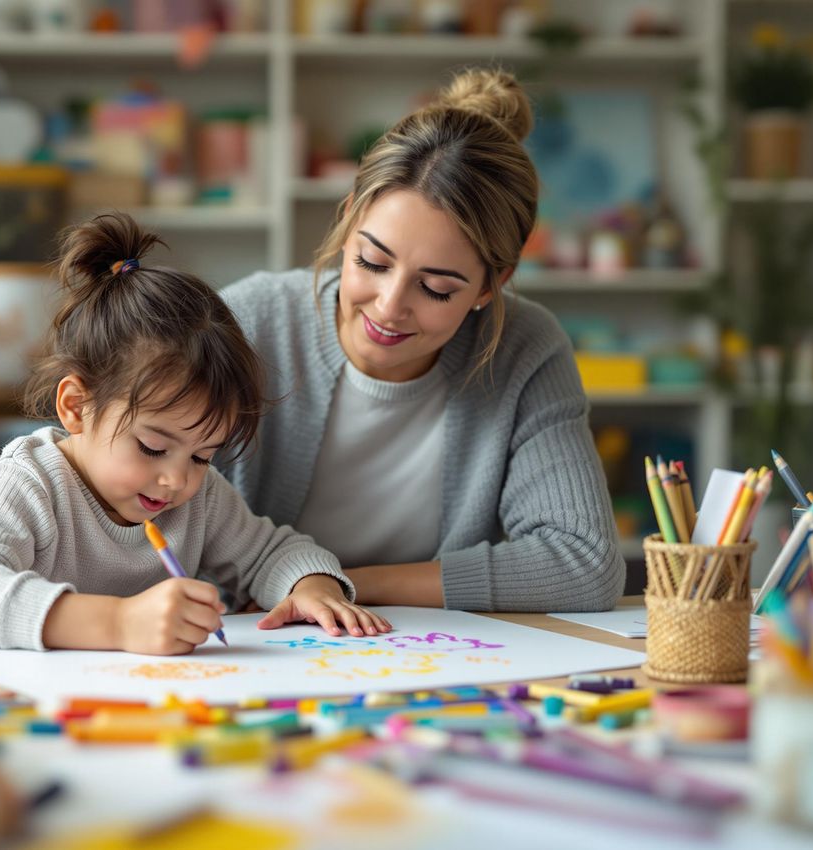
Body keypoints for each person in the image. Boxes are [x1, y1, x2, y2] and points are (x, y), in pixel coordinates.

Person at [216, 68, 625, 613]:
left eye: (435, 288)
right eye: (372, 262)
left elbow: (585, 563)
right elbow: (87, 467)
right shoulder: (246, 324)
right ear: (347, 220)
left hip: (423, 662)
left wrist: (342, 584)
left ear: (491, 284)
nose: (389, 307)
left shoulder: (525, 349)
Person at [0, 213, 390, 654]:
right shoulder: (32, 484)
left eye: (203, 456)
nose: (177, 480)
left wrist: (311, 587)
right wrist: (118, 623)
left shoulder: (197, 500)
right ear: (76, 407)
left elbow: (273, 551)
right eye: (153, 447)